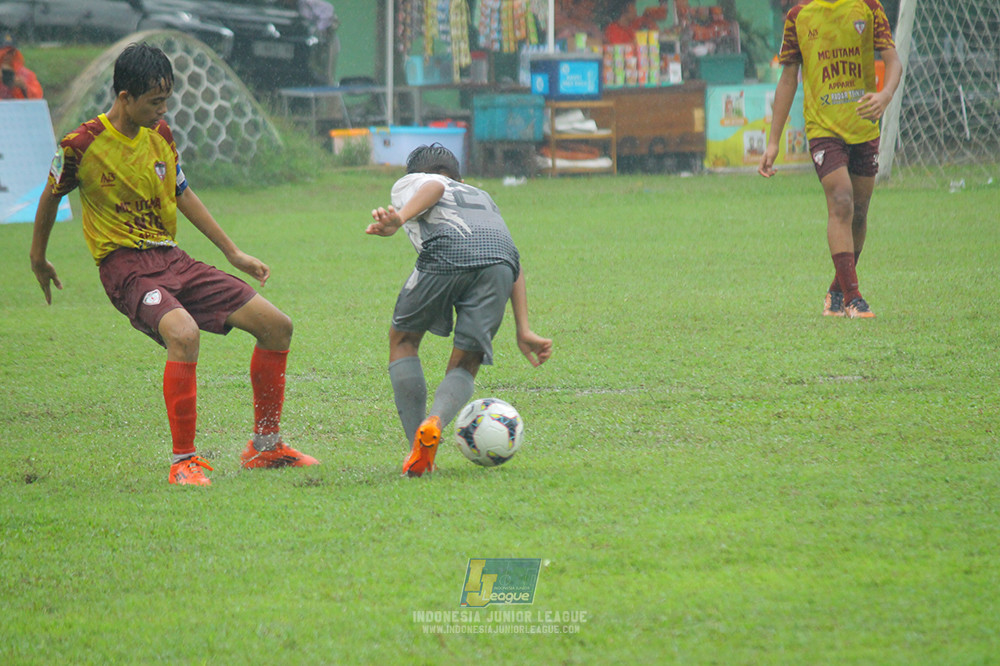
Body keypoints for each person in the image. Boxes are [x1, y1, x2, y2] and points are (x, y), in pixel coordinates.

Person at [29, 42, 319, 486]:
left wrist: (233, 253)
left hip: (172, 259)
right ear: (124, 97)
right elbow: (50, 196)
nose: (163, 111)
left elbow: (182, 194)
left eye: (167, 99)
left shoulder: (160, 136)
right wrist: (38, 257)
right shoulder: (82, 145)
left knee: (277, 325)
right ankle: (184, 460)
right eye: (154, 101)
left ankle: (265, 446)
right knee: (183, 333)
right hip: (125, 268)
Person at [366, 144, 553, 478]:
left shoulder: (418, 182)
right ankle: (435, 422)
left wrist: (401, 217)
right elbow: (512, 256)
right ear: (461, 177)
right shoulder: (480, 194)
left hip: (449, 252)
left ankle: (417, 451)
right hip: (499, 264)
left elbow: (434, 186)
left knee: (404, 339)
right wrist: (523, 327)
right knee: (468, 359)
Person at [758, 0, 901, 319]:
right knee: (841, 200)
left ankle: (837, 291)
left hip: (863, 125)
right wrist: (772, 141)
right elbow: (788, 78)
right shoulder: (798, 17)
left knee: (859, 213)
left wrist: (885, 95)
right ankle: (853, 297)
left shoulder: (868, 8)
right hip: (823, 128)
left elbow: (893, 61)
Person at [0, 33, 43, 100]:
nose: (8, 56)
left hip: (18, 108)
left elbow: (37, 97)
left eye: (11, 52)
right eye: (4, 52)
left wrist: (24, 86)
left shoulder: (24, 73)